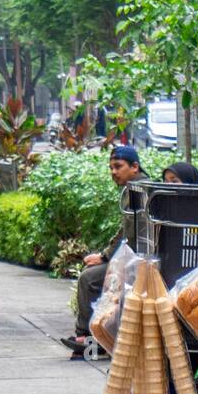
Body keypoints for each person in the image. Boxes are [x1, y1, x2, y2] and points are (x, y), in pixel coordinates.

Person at [62, 145, 147, 358]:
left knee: (89, 278)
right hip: (132, 256)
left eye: (118, 166)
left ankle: (89, 337)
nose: (113, 172)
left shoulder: (139, 190)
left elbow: (131, 232)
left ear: (134, 167)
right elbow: (125, 230)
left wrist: (106, 257)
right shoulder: (134, 189)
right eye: (111, 167)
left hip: (139, 261)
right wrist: (106, 254)